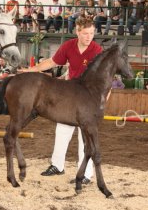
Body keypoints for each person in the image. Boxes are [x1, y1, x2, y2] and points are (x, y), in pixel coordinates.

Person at [20, 17, 102, 184]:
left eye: (92, 33)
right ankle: (57, 166)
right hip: (69, 95)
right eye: (85, 33)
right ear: (77, 32)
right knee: (62, 130)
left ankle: (85, 174)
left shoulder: (97, 50)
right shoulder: (69, 46)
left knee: (85, 137)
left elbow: (104, 77)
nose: (89, 37)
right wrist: (31, 70)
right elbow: (52, 62)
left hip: (88, 99)